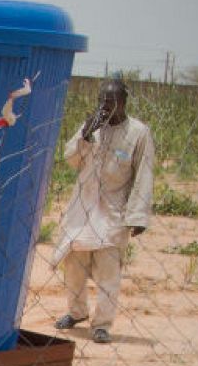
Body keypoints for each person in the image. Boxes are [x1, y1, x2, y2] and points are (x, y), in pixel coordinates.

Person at [51, 78, 155, 344]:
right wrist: (86, 134)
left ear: (123, 102)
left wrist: (138, 216)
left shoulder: (138, 132)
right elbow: (71, 159)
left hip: (112, 211)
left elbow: (144, 174)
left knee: (108, 271)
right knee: (74, 265)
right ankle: (76, 312)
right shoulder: (91, 127)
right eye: (102, 101)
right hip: (82, 207)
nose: (105, 106)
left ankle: (102, 325)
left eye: (111, 101)